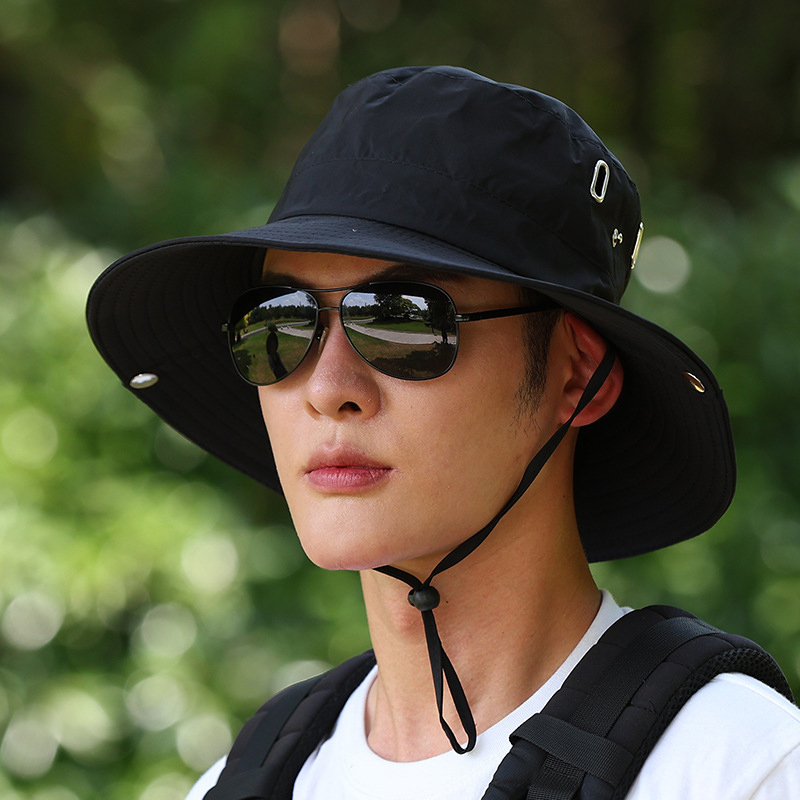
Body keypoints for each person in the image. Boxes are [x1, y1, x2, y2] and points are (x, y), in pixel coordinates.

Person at [86, 66, 800, 799]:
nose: (328, 390)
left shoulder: (736, 767)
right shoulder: (245, 782)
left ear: (576, 375)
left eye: (401, 320)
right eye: (281, 324)